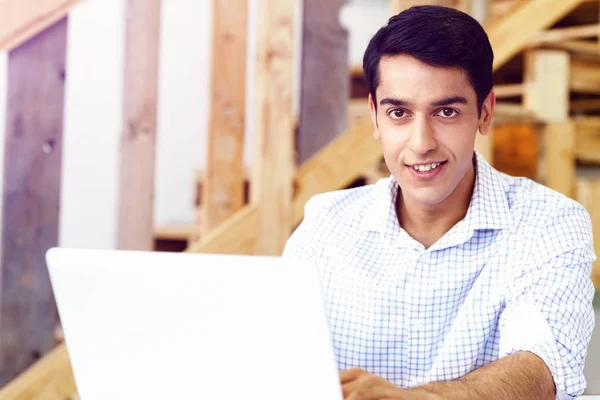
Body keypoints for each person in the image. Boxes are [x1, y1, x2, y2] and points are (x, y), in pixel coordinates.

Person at [283, 5, 596, 400]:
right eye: (399, 112)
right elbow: (280, 359)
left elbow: (541, 369)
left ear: (484, 112)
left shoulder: (549, 223)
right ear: (375, 119)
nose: (421, 143)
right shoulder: (326, 224)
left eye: (446, 111)